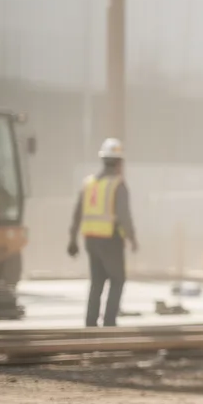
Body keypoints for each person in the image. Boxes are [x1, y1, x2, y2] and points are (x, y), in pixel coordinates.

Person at [68, 138, 137, 328]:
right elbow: (124, 215)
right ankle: (109, 323)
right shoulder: (117, 184)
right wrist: (132, 238)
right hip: (110, 239)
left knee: (97, 282)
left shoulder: (89, 183)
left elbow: (77, 213)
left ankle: (90, 323)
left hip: (90, 239)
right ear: (119, 162)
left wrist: (72, 239)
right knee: (117, 280)